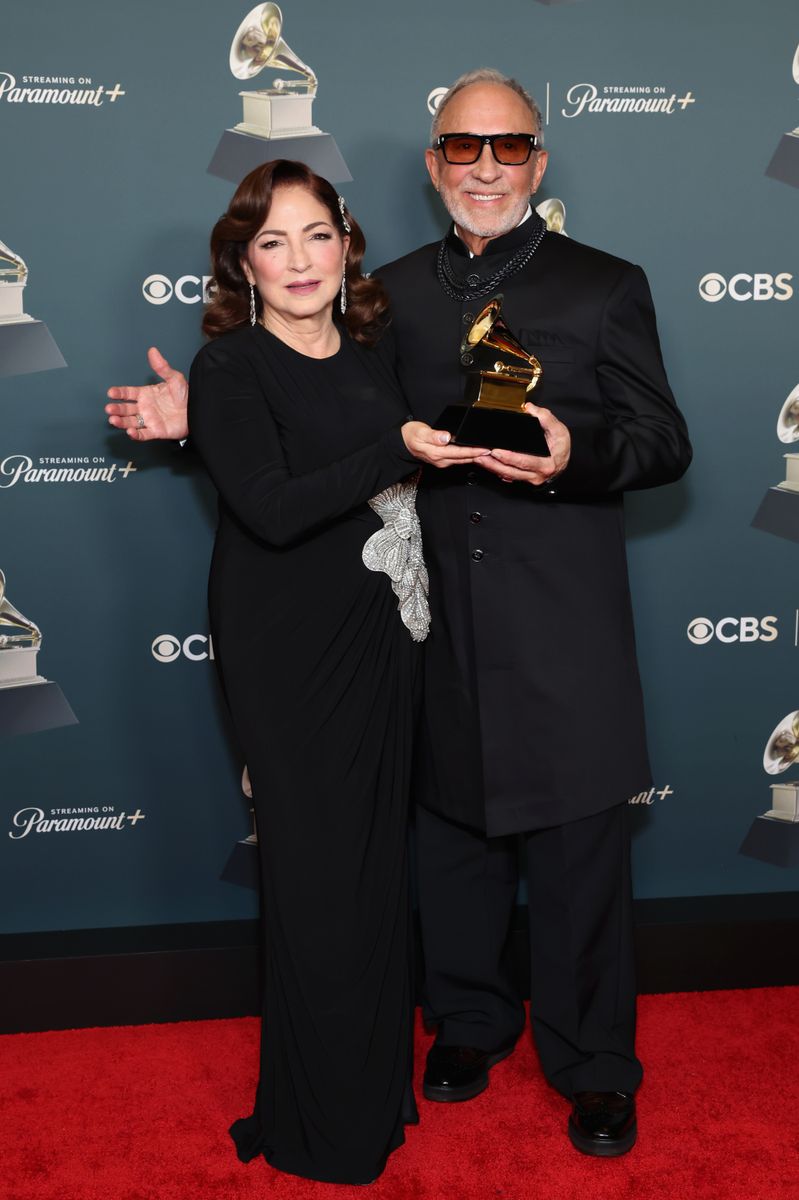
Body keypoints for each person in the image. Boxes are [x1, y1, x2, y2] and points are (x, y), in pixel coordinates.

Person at [106, 69, 691, 1160]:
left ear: (537, 161)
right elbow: (317, 413)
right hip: (424, 620)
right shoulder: (391, 299)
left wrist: (576, 452)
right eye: (460, 147)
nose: (482, 166)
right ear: (431, 166)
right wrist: (201, 414)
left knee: (577, 852)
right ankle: (467, 1023)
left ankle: (594, 1065)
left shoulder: (607, 284)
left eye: (506, 146)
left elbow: (664, 443)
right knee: (451, 838)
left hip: (560, 614)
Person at [170, 158, 483, 1186]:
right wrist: (392, 448)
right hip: (288, 655)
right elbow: (269, 504)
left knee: (370, 880)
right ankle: (320, 1126)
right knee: (314, 889)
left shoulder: (368, 348)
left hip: (385, 637)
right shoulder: (229, 368)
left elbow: (374, 442)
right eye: (272, 241)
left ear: (346, 243)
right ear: (242, 262)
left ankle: (365, 1096)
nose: (298, 260)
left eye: (315, 235)